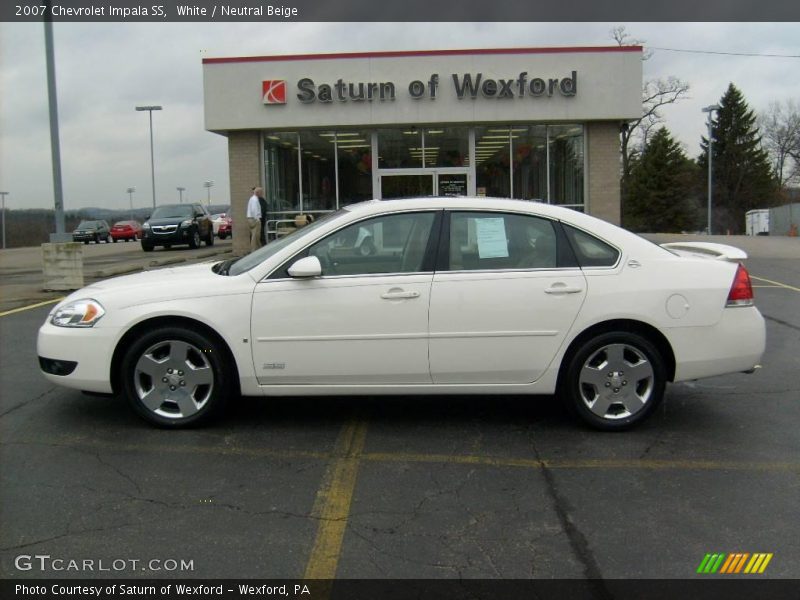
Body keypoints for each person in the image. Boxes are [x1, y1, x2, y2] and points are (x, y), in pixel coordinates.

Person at [246, 187, 262, 252]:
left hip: (250, 218)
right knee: (256, 235)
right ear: (258, 193)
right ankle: (255, 250)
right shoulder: (255, 200)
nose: (262, 194)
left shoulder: (252, 199)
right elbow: (254, 210)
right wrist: (257, 219)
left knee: (254, 235)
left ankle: (258, 248)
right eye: (261, 192)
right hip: (254, 219)